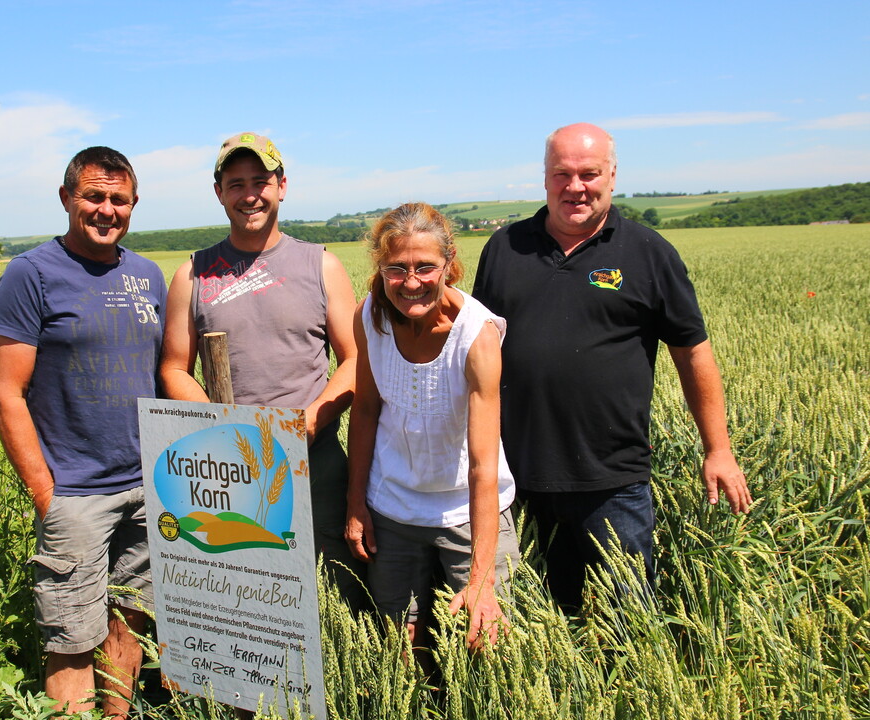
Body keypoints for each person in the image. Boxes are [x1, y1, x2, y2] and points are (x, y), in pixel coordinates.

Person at [472, 123, 753, 613]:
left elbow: (693, 353)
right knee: (535, 620)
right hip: (516, 478)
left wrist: (719, 449)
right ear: (545, 177)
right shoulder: (505, 248)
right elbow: (475, 349)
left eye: (589, 174)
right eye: (562, 174)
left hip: (612, 479)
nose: (575, 187)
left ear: (612, 176)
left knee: (628, 619)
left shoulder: (648, 253)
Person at [0, 146, 165, 717]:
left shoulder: (146, 275)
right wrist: (47, 495)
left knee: (129, 624)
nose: (106, 209)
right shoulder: (31, 275)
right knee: (71, 640)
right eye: (93, 196)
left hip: (147, 488)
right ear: (67, 198)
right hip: (76, 495)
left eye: (119, 199)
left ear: (133, 204)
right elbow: (6, 393)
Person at [159, 132, 369, 609]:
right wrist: (224, 430)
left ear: (282, 186)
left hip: (316, 462)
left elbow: (355, 360)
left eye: (260, 181)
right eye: (236, 184)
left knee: (336, 595)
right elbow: (174, 369)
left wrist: (310, 423)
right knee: (247, 600)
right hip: (228, 472)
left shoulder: (322, 266)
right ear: (219, 192)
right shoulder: (192, 274)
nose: (249, 194)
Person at [345, 203, 518, 651]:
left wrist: (481, 579)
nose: (411, 282)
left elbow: (482, 465)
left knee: (485, 642)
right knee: (401, 644)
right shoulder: (370, 317)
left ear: (448, 263)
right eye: (396, 269)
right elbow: (365, 411)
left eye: (425, 267)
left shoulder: (476, 335)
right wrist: (356, 502)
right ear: (380, 268)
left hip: (467, 511)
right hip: (393, 507)